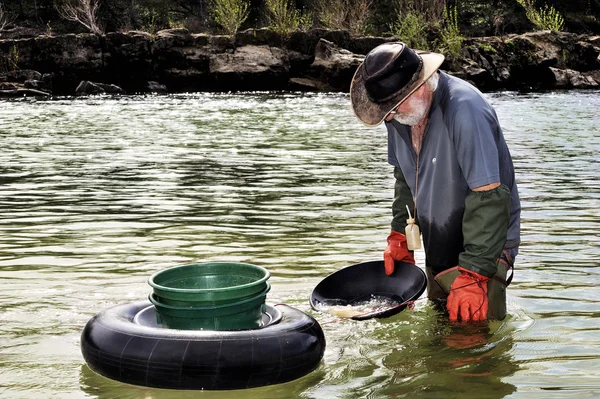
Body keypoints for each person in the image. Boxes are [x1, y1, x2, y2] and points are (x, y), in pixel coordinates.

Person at [349, 42, 521, 322]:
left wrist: (474, 275)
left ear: (420, 85)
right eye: (385, 109)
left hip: (483, 248)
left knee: (475, 346)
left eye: (393, 106)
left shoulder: (466, 110)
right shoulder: (399, 116)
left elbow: (490, 197)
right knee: (440, 335)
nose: (389, 117)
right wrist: (399, 237)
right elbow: (404, 178)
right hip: (438, 241)